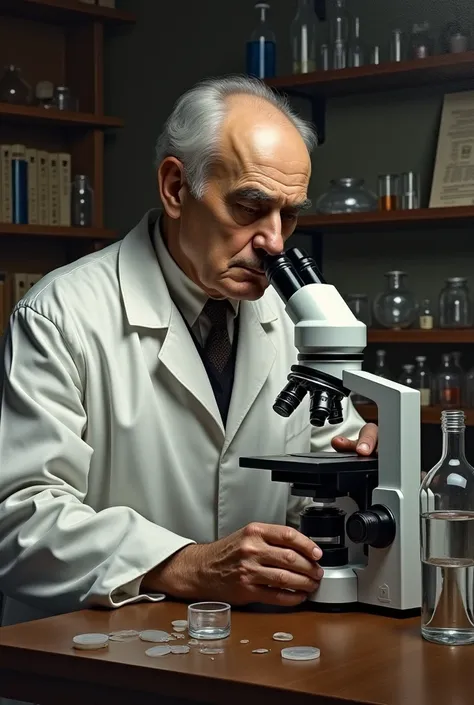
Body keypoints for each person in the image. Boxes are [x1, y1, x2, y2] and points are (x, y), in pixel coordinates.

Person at [0, 76, 378, 631]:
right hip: (94, 654)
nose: (275, 241)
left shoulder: (293, 318)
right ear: (176, 187)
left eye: (290, 214)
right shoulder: (60, 316)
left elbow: (321, 485)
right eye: (251, 207)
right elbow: (18, 522)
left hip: (251, 645)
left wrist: (368, 466)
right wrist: (189, 565)